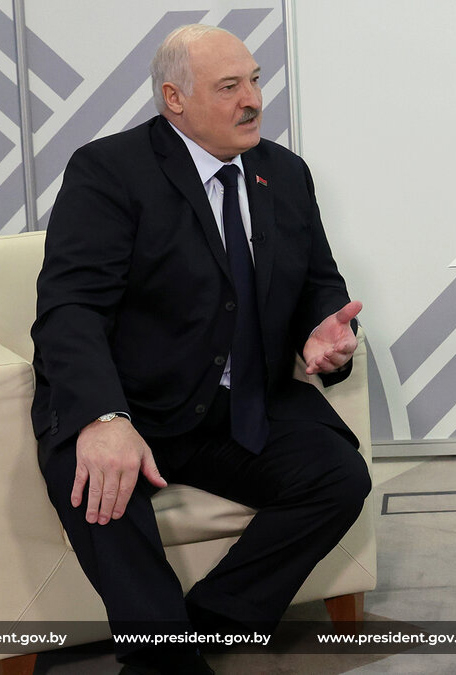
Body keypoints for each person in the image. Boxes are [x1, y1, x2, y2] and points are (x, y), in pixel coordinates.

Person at [31, 24, 371, 675]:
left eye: (254, 81)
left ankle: (206, 625)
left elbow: (319, 284)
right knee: (100, 488)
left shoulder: (285, 173)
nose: (252, 100)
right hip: (131, 402)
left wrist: (326, 333)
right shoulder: (110, 170)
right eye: (229, 87)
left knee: (337, 477)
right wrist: (102, 418)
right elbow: (71, 309)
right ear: (174, 98)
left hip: (237, 405)